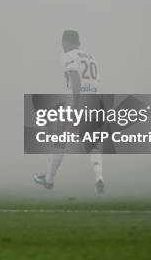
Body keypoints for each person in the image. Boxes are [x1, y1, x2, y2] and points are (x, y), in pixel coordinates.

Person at [33, 30, 105, 194]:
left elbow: (75, 78)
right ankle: (99, 178)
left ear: (65, 43)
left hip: (80, 101)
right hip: (95, 101)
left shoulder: (69, 55)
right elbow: (97, 82)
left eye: (62, 44)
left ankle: (49, 180)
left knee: (60, 139)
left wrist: (75, 107)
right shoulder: (91, 57)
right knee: (91, 143)